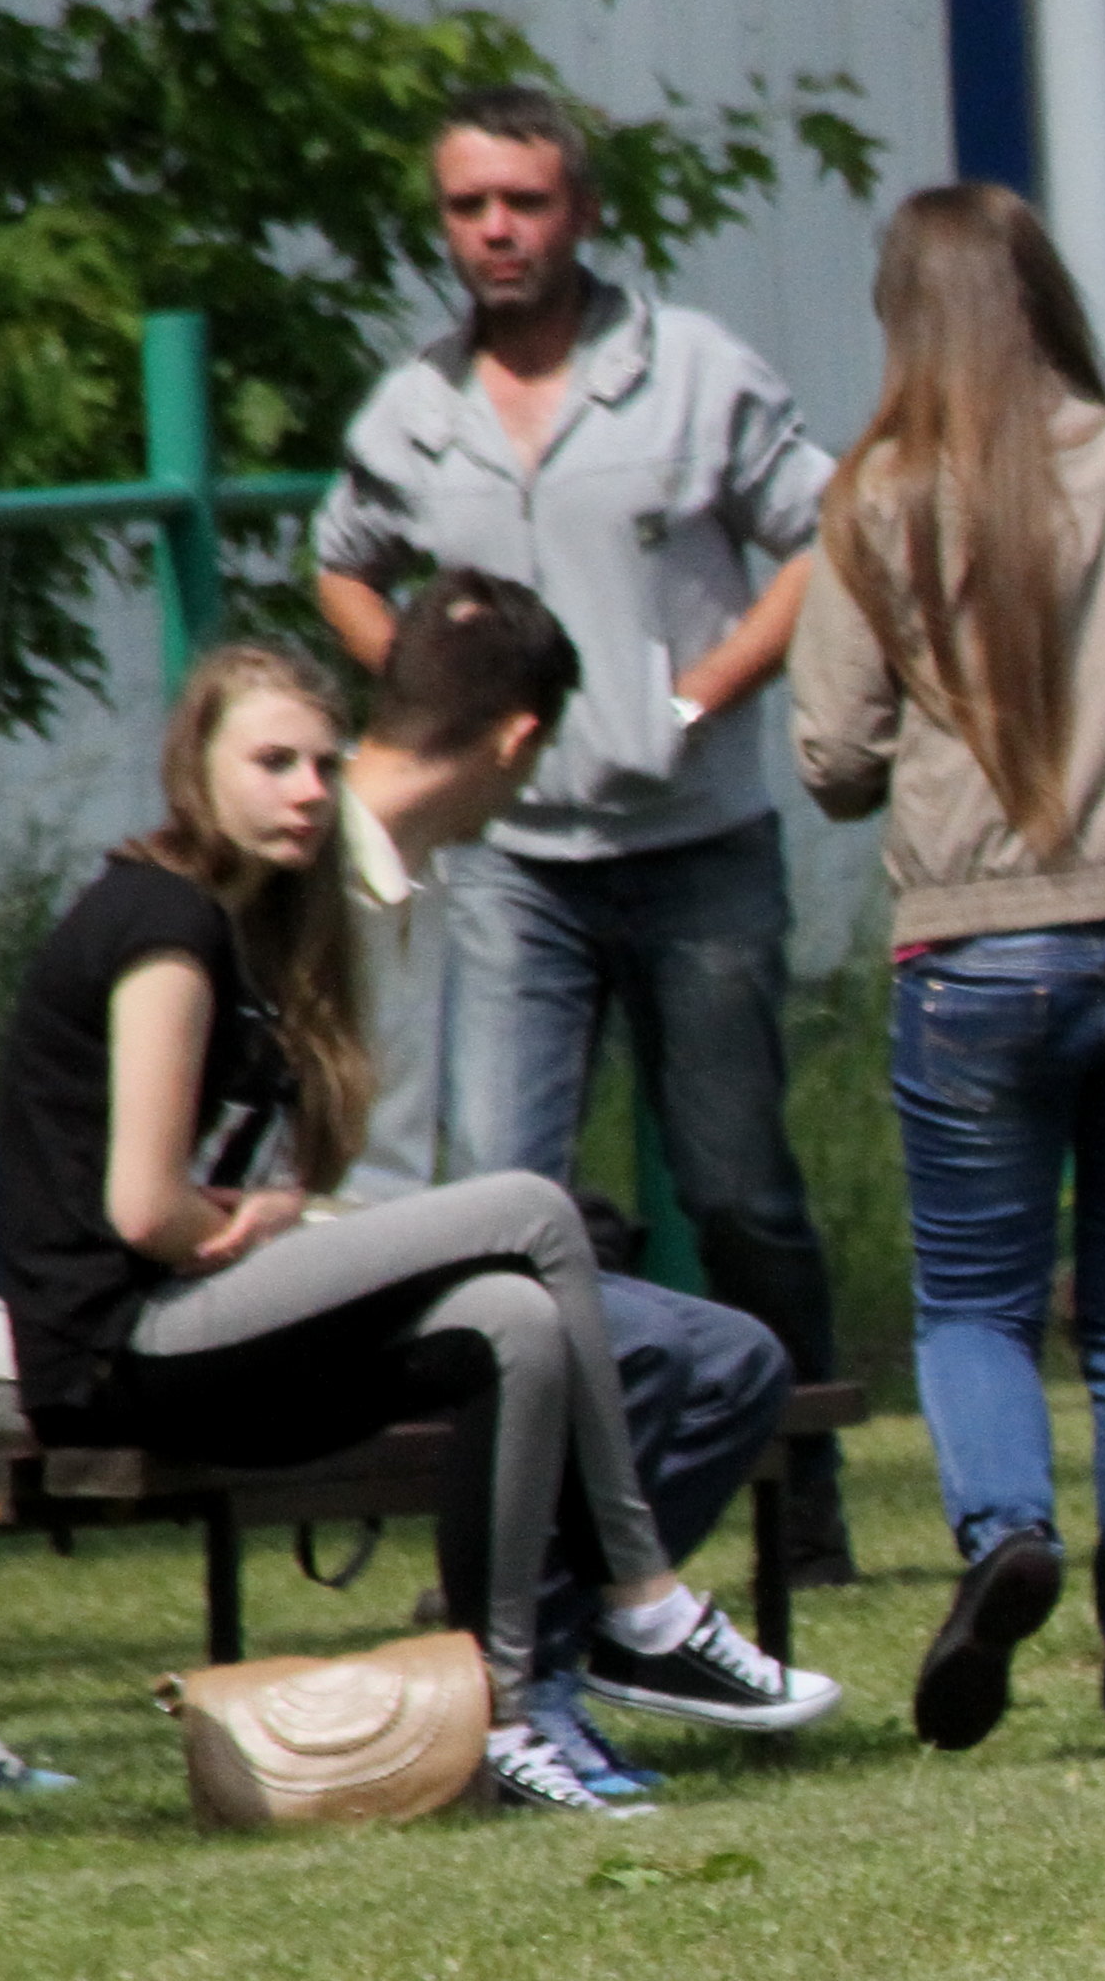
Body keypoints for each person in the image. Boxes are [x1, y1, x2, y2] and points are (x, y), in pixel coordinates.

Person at [0, 645, 834, 1817]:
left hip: (195, 1321)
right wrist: (269, 1222)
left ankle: (507, 1716)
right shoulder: (161, 920)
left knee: (510, 1316)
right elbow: (144, 1209)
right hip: (117, 1349)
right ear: (195, 766)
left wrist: (270, 1220)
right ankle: (642, 1602)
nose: (307, 791)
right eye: (272, 762)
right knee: (532, 1211)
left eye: (323, 766)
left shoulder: (256, 920)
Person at [304, 79, 860, 1599]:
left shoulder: (692, 374)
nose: (497, 230)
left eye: (526, 202)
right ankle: (514, 1514)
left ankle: (801, 1489)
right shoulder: (417, 409)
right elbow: (342, 562)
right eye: (469, 206)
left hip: (697, 844)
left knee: (737, 1190)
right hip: (514, 866)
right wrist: (428, 695)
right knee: (501, 1192)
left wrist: (699, 694)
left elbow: (827, 536)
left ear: (584, 211)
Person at [798, 184, 1105, 1753]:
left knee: (974, 1305)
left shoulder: (875, 502)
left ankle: (1006, 1529)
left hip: (977, 952)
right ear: (1049, 299)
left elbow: (834, 760)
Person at [335, 566, 797, 1799]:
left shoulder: (424, 875)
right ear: (518, 742)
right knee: (593, 1332)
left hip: (403, 1264)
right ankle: (522, 1689)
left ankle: (584, 1655)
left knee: (734, 1359)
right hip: (321, 1285)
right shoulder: (311, 875)